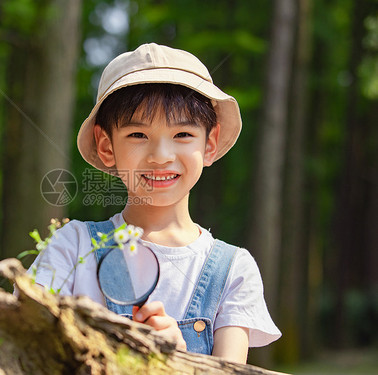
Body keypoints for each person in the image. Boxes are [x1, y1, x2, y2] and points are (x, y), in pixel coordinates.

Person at [26, 43, 281, 363]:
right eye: (137, 135)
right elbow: (27, 347)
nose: (161, 156)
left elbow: (231, 370)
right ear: (107, 147)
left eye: (183, 135)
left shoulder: (233, 271)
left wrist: (180, 361)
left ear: (209, 144)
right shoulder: (72, 248)